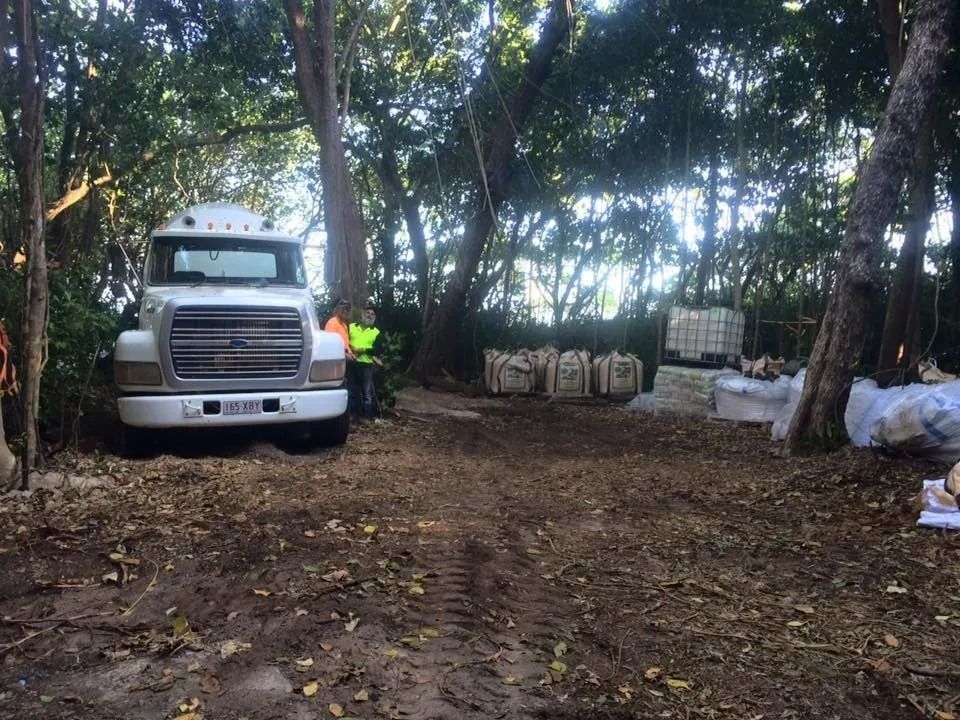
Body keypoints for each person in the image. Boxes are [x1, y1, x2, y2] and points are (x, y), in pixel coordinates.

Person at [349, 304, 383, 422]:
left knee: (366, 393)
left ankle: (367, 417)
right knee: (352, 390)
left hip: (367, 364)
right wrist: (350, 349)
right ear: (362, 314)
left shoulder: (376, 332)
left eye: (372, 314)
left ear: (375, 318)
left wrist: (363, 350)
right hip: (352, 363)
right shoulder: (352, 327)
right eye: (368, 313)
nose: (370, 315)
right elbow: (345, 341)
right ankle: (353, 415)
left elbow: (378, 349)